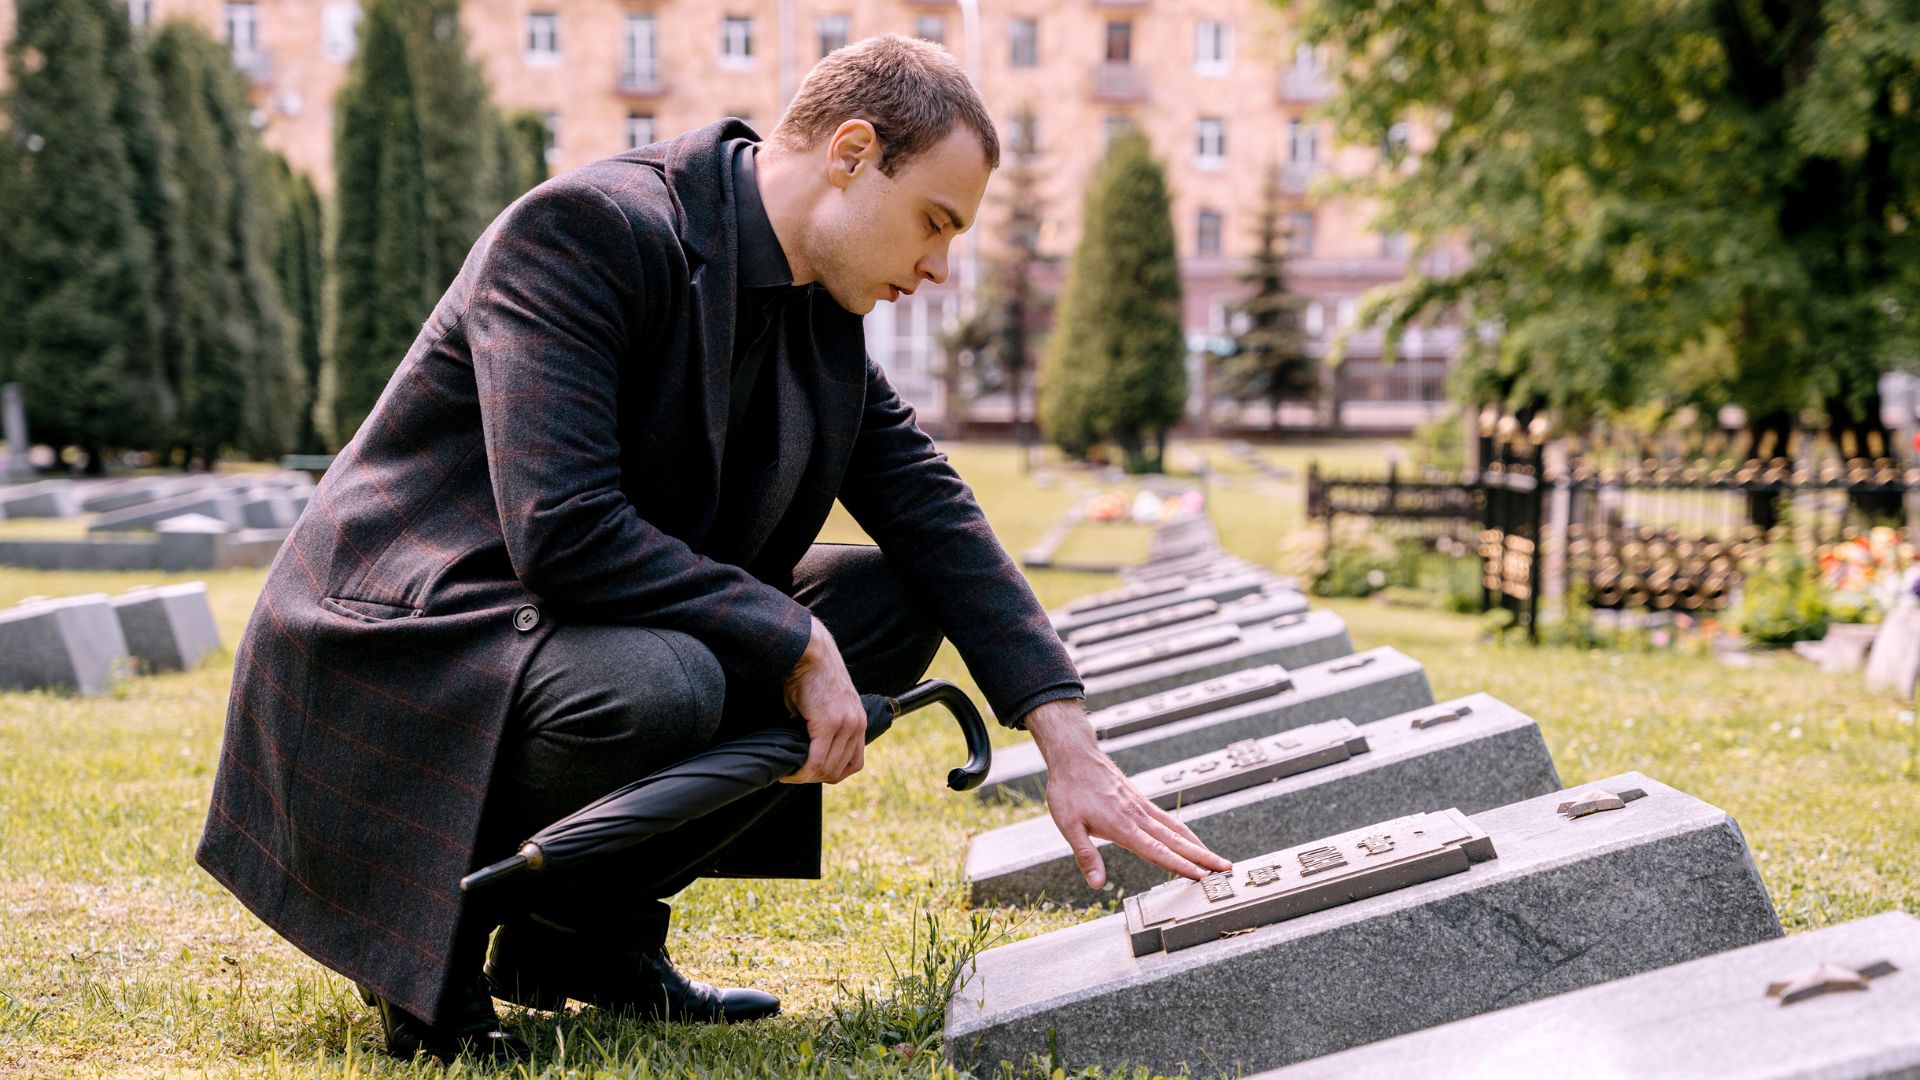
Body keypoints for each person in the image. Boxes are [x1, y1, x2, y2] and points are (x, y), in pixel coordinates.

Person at [195, 33, 1228, 1064]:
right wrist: (795, 642)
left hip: (555, 624)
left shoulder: (817, 307)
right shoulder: (585, 231)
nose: (940, 267)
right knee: (670, 679)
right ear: (852, 154)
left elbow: (933, 513)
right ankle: (426, 960)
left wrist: (1069, 744)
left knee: (891, 598)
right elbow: (561, 527)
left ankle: (579, 944)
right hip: (411, 635)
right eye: (934, 221)